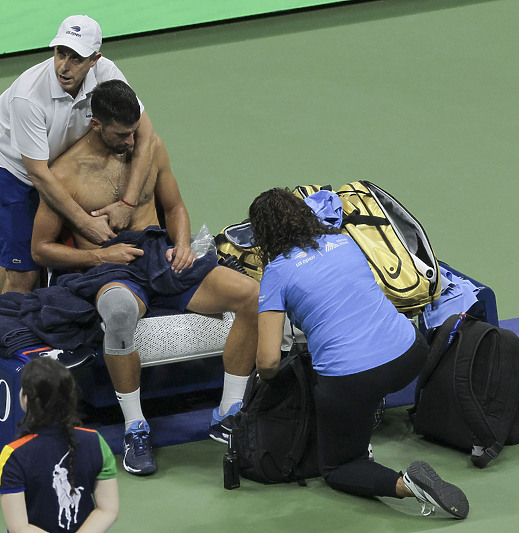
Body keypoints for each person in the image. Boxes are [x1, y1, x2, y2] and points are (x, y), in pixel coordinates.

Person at [31, 79, 258, 476]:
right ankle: (135, 426)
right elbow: (41, 249)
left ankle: (228, 412)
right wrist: (100, 254)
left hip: (161, 256)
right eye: (123, 134)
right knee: (119, 313)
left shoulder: (148, 148)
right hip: (110, 268)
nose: (133, 140)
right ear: (97, 124)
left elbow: (175, 207)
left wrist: (183, 244)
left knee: (251, 295)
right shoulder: (65, 173)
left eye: (136, 130)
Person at [248, 188, 470, 519]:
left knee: (338, 467)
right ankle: (365, 417)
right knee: (361, 386)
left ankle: (409, 485)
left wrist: (267, 380)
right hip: (409, 354)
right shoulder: (344, 241)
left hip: (353, 381)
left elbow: (268, 360)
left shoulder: (277, 273)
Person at [0, 15, 158, 294]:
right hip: (9, 169)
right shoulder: (28, 97)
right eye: (61, 53)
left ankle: (3, 304)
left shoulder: (107, 72)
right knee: (24, 271)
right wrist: (85, 223)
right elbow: (37, 172)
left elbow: (145, 134)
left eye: (76, 58)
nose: (64, 65)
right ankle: (6, 331)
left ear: (94, 60)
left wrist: (128, 203)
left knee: (19, 259)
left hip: (53, 163)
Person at [0, 357, 119, 532]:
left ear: (26, 399)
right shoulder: (96, 441)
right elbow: (108, 510)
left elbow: (19, 527)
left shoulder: (13, 454)